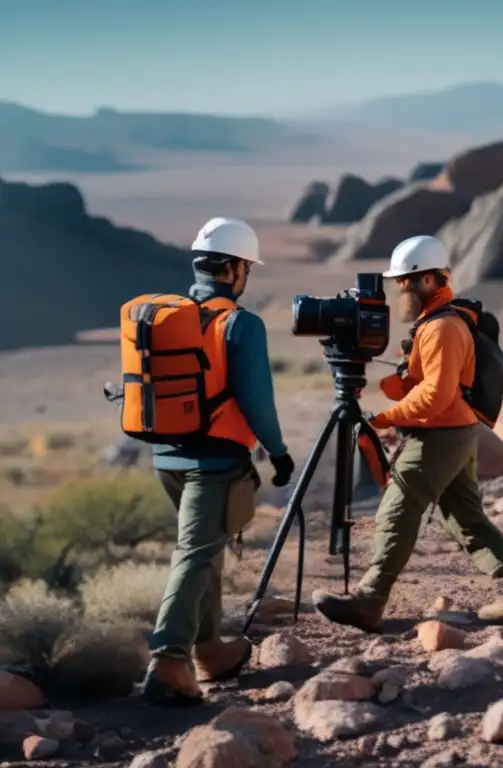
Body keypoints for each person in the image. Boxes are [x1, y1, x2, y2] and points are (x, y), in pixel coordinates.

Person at [312, 235, 503, 631]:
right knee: (464, 515)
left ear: (428, 282)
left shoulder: (442, 328)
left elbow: (437, 394)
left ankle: (369, 599)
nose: (399, 291)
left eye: (404, 282)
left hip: (442, 434)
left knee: (397, 508)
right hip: (454, 429)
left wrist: (387, 418)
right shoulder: (435, 324)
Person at [141, 216, 295, 706]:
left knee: (201, 549)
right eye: (246, 266)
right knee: (195, 553)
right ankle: (167, 660)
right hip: (214, 462)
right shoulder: (240, 324)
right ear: (232, 269)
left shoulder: (166, 316)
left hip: (166, 457)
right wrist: (279, 451)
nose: (247, 275)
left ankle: (209, 651)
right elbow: (256, 398)